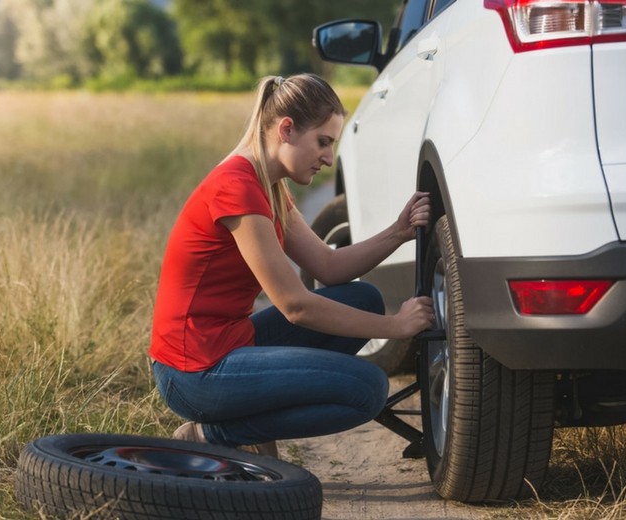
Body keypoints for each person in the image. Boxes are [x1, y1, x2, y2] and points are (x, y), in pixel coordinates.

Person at [150, 73, 433, 457]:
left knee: (362, 297)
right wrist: (395, 327)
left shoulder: (269, 186)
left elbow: (329, 266)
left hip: (229, 345)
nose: (329, 159)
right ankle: (215, 434)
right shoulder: (236, 186)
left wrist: (398, 232)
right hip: (193, 373)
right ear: (286, 129)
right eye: (323, 142)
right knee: (366, 388)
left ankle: (248, 423)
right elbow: (295, 306)